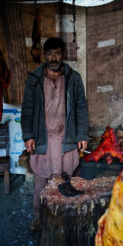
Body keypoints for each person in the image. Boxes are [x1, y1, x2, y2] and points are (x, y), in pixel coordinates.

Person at [21, 37, 89, 232]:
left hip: (66, 139)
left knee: (67, 180)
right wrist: (28, 136)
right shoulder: (34, 79)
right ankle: (38, 218)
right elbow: (27, 110)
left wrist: (82, 135)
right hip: (43, 139)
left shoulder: (73, 78)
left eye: (57, 53)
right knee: (41, 182)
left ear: (63, 55)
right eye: (50, 53)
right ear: (45, 55)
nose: (53, 57)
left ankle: (66, 219)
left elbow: (81, 107)